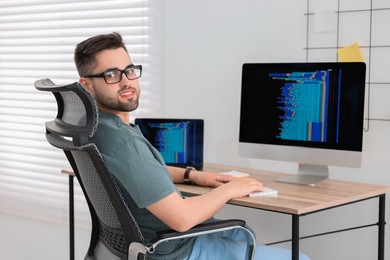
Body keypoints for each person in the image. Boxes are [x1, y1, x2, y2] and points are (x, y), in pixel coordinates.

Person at [74, 32, 310, 260]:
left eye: (129, 71)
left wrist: (192, 175)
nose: (126, 82)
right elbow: (183, 219)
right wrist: (229, 190)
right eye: (111, 74)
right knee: (301, 257)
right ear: (86, 85)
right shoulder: (123, 142)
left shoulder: (97, 129)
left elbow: (140, 173)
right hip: (171, 250)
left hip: (134, 246)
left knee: (242, 234)